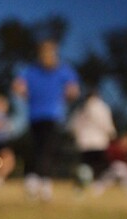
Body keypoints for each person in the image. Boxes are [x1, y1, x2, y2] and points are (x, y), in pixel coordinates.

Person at [14, 39, 79, 201]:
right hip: (35, 115)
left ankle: (40, 181)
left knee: (48, 148)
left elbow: (74, 90)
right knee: (39, 148)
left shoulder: (64, 70)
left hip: (53, 115)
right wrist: (26, 95)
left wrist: (67, 96)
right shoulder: (31, 70)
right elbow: (17, 85)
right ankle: (38, 181)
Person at [68, 89, 115, 188]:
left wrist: (77, 136)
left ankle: (81, 184)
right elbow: (106, 124)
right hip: (99, 142)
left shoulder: (81, 107)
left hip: (84, 142)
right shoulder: (102, 107)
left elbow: (73, 126)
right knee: (98, 165)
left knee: (85, 165)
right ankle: (96, 184)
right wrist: (112, 133)